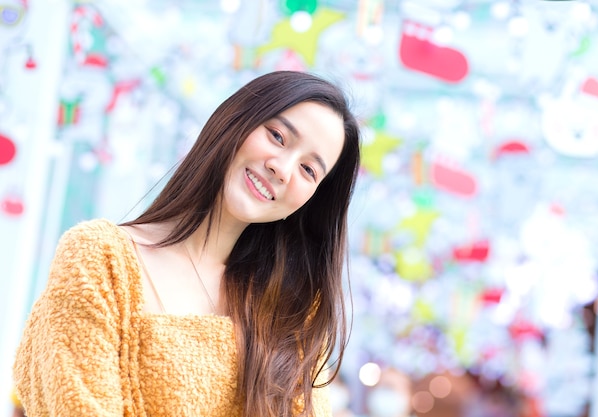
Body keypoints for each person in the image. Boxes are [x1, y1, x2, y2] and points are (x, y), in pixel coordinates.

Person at [13, 70, 361, 417]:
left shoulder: (290, 313)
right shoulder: (101, 257)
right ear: (235, 120)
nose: (282, 168)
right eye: (277, 136)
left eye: (309, 170)